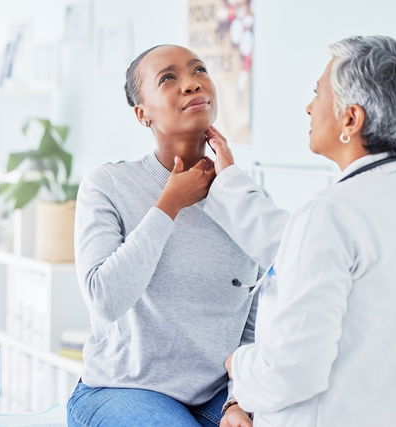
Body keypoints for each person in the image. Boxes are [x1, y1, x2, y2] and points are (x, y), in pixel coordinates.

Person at [203, 35, 396, 427]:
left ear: (351, 119)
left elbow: (293, 371)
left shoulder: (330, 214)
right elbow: (294, 246)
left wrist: (238, 367)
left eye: (318, 94)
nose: (309, 107)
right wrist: (229, 180)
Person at [67, 44, 286, 427]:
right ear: (142, 114)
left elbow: (254, 321)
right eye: (168, 78)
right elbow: (105, 299)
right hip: (122, 389)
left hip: (217, 395)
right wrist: (168, 205)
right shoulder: (108, 185)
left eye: (199, 70)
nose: (191, 84)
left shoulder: (246, 203)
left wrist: (239, 401)